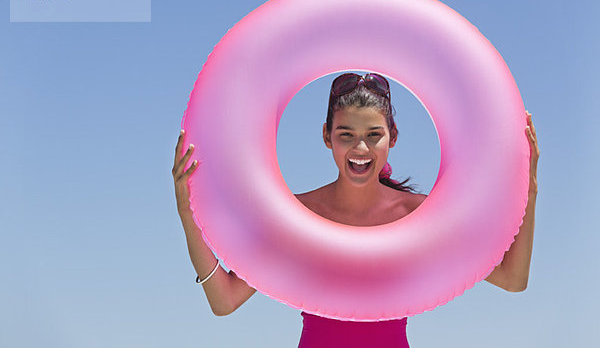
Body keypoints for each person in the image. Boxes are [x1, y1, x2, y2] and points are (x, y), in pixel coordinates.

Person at [172, 72, 540, 347]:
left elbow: (512, 279)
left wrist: (530, 188)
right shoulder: (296, 214)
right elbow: (225, 300)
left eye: (373, 135)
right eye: (345, 134)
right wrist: (188, 214)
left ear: (392, 137)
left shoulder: (421, 216)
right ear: (326, 135)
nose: (360, 149)